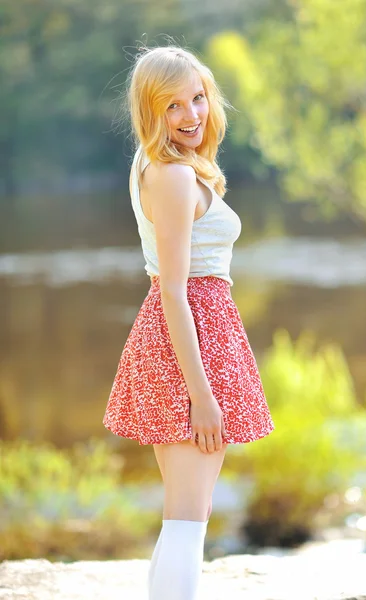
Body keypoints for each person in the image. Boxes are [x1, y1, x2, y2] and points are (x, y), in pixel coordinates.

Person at [102, 42, 275, 600]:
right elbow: (175, 292)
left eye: (197, 98)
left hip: (191, 333)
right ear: (150, 112)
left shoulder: (161, 164)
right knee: (187, 518)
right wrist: (201, 395)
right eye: (172, 106)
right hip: (189, 338)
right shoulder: (173, 177)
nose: (191, 115)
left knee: (186, 512)